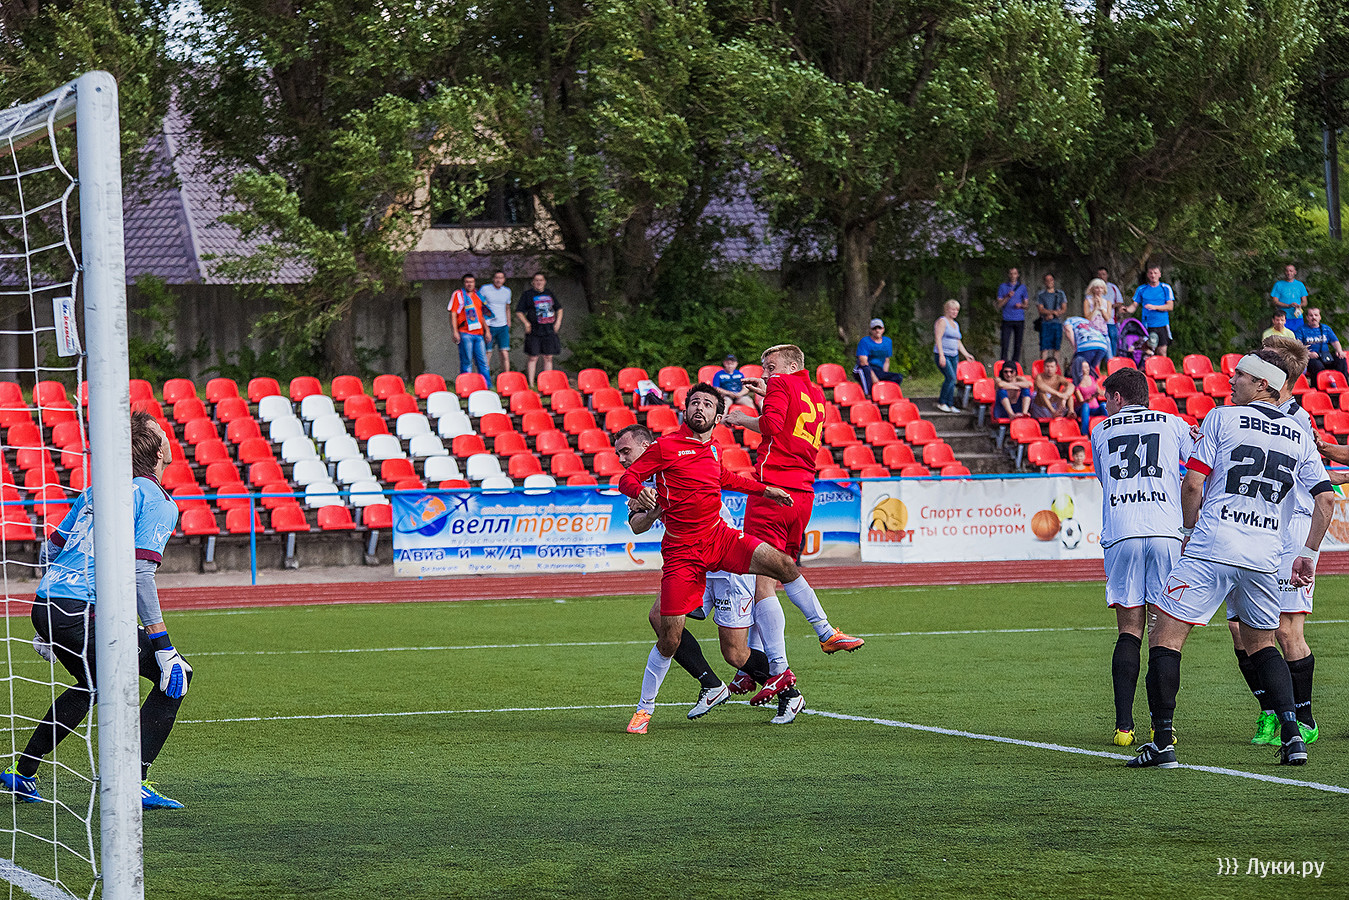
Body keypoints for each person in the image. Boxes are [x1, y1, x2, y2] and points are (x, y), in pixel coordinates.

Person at [1127, 349, 1335, 769]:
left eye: (1239, 375)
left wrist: (1187, 533)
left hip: (1214, 545)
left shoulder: (1221, 418)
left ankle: (1163, 743)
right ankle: (1294, 737)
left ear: (1262, 384)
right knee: (1263, 644)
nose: (1230, 380)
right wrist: (1308, 554)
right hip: (1265, 555)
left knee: (1166, 636)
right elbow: (1326, 499)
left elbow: (1192, 484)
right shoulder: (1298, 432)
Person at [1, 412, 193, 809]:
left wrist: (49, 623)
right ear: (158, 451)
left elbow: (51, 549)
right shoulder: (157, 500)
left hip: (48, 603)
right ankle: (133, 780)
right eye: (162, 433)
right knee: (175, 675)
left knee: (94, 685)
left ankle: (23, 772)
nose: (167, 436)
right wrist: (164, 645)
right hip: (82, 610)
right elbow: (141, 575)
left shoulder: (96, 492)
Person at [617, 385, 819, 733]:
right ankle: (703, 687)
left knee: (736, 652)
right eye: (618, 454)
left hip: (721, 557)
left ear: (645, 446)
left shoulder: (697, 450)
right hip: (686, 555)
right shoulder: (652, 474)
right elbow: (636, 522)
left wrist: (765, 490)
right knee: (664, 626)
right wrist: (650, 503)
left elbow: (725, 478)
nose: (621, 458)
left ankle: (791, 680)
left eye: (625, 451)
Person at [723, 344, 866, 669]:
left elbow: (772, 426)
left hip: (774, 490)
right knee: (776, 573)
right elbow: (789, 420)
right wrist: (768, 391)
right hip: (803, 493)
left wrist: (741, 418)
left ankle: (777, 667)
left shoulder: (780, 384)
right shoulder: (815, 393)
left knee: (761, 579)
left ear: (790, 366)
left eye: (771, 367)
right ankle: (759, 666)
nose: (766, 373)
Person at [1089, 368, 1193, 746]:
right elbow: (1199, 468)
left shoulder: (1100, 430)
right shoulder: (1174, 423)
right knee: (1162, 634)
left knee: (1129, 629)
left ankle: (1123, 727)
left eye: (1107, 398)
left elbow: (1105, 478)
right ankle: (1161, 725)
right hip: (1166, 531)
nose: (1105, 405)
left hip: (1122, 531)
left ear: (1118, 397)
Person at [1230, 337, 1320, 747]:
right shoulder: (1246, 414)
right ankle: (1269, 709)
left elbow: (1316, 479)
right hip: (1256, 529)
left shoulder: (1297, 419)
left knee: (1285, 631)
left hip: (1291, 527)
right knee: (1239, 627)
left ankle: (1303, 718)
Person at [515, 272, 563, 389]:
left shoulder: (549, 293)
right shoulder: (527, 295)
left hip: (548, 330)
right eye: (536, 280)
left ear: (544, 282)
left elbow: (559, 309)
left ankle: (548, 383)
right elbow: (519, 311)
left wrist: (558, 322)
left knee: (548, 357)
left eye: (541, 280)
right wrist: (526, 323)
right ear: (533, 282)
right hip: (534, 331)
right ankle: (531, 384)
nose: (539, 282)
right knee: (533, 357)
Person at [931, 300, 976, 413]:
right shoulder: (942, 321)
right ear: (947, 309)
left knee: (953, 379)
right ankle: (942, 402)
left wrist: (966, 354)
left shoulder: (956, 324)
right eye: (953, 309)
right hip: (944, 354)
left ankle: (950, 403)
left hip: (953, 355)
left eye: (957, 310)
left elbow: (958, 341)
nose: (955, 312)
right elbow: (938, 338)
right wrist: (941, 355)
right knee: (950, 377)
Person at [1129, 264, 1176, 358]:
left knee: (1162, 351)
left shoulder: (1165, 288)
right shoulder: (1142, 289)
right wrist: (1126, 309)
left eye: (1155, 273)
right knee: (1149, 352)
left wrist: (1155, 307)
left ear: (1159, 274)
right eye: (1151, 273)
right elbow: (1134, 306)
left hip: (1162, 324)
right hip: (1147, 325)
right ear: (1147, 275)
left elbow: (1170, 306)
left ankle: (1163, 367)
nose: (1153, 275)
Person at [448, 273, 490, 378]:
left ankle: (487, 384)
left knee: (483, 361)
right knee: (466, 361)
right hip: (465, 332)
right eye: (467, 282)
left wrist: (487, 331)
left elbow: (481, 315)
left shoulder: (478, 295)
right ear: (464, 283)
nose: (469, 284)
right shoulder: (458, 295)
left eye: (471, 282)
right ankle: (466, 384)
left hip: (479, 333)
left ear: (474, 283)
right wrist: (455, 331)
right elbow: (453, 313)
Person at [1295, 307, 1349, 384]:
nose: (1314, 317)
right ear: (1307, 317)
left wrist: (1339, 351)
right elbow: (1298, 346)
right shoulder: (1301, 330)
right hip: (1311, 358)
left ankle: (1343, 385)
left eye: (1316, 315)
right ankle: (1318, 388)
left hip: (1326, 357)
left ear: (1320, 317)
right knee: (1317, 365)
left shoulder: (1326, 328)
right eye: (1311, 315)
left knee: (1341, 359)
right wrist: (1308, 354)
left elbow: (1335, 341)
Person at [854, 318, 904, 393]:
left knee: (898, 377)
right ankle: (868, 394)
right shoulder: (865, 341)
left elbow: (886, 361)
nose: (877, 330)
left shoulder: (887, 342)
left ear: (883, 329)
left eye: (879, 328)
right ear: (871, 330)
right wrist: (873, 377)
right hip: (864, 368)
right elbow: (863, 362)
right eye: (874, 329)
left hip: (878, 370)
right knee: (866, 370)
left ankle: (885, 393)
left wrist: (884, 376)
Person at [479, 270, 513, 374]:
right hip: (489, 326)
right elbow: (479, 307)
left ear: (504, 280)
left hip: (502, 326)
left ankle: (506, 377)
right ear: (493, 279)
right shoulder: (485, 289)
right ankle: (484, 378)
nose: (498, 280)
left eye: (501, 278)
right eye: (497, 278)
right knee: (487, 353)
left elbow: (507, 307)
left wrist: (508, 321)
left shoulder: (507, 291)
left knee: (504, 353)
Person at [996, 266, 1029, 364]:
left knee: (1018, 344)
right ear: (1008, 275)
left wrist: (1021, 305)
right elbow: (999, 305)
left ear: (1018, 275)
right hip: (1007, 319)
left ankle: (1015, 365)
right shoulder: (1002, 287)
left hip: (1019, 319)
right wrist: (1007, 297)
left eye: (1015, 273)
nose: (1013, 276)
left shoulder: (1022, 287)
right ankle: (1003, 364)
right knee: (1005, 344)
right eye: (1011, 273)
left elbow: (1026, 305)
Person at [1064, 311, 1111, 377]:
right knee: (1090, 369)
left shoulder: (1069, 321)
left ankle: (1078, 383)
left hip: (1087, 344)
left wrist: (1075, 346)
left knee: (1079, 370)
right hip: (1102, 345)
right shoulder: (1087, 322)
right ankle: (1093, 381)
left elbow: (1068, 330)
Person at [1035, 274, 1068, 361]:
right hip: (1045, 323)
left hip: (1057, 323)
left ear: (1054, 281)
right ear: (1044, 282)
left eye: (1051, 279)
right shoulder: (1041, 294)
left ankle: (1055, 366)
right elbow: (1040, 309)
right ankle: (1043, 366)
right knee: (1044, 348)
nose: (1049, 282)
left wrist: (1052, 314)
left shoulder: (1060, 293)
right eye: (1047, 280)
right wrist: (1053, 312)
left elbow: (1064, 308)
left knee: (1057, 347)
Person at [1095, 267, 1127, 357]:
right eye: (1099, 274)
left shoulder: (1112, 287)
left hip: (1110, 320)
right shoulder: (1093, 288)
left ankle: (1112, 359)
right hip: (1097, 321)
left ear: (1107, 275)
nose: (1101, 277)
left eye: (1103, 274)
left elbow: (1120, 301)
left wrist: (1110, 306)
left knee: (1113, 338)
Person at [1073, 358, 1106, 435]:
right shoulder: (1077, 383)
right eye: (1084, 367)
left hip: (1095, 408)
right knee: (1085, 406)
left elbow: (1100, 391)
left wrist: (1103, 392)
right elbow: (1081, 401)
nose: (1087, 369)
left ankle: (1110, 429)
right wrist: (1090, 398)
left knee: (1103, 405)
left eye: (1087, 367)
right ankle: (1085, 433)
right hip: (1083, 409)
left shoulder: (1092, 378)